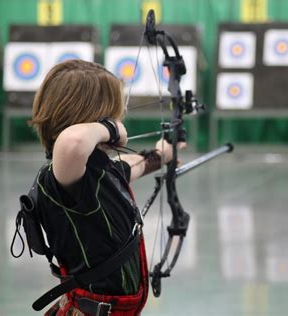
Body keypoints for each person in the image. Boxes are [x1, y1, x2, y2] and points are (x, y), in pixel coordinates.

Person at [26, 59, 182, 316]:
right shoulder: (64, 175)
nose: (119, 118)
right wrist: (112, 129)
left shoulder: (95, 172)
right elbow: (72, 142)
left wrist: (159, 155)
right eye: (113, 112)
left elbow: (129, 166)